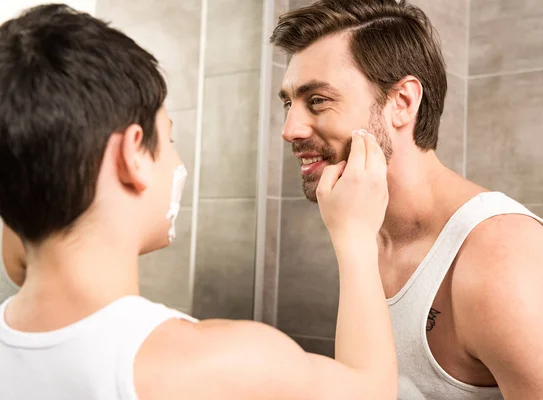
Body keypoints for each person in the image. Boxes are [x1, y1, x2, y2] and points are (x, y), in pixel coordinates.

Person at [0, 4, 397, 399]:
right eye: (168, 138)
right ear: (132, 156)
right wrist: (356, 238)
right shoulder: (222, 365)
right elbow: (373, 391)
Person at [271, 0, 543, 398]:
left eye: (317, 100)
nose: (290, 129)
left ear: (403, 103)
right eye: (289, 103)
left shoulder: (503, 259)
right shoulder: (362, 230)